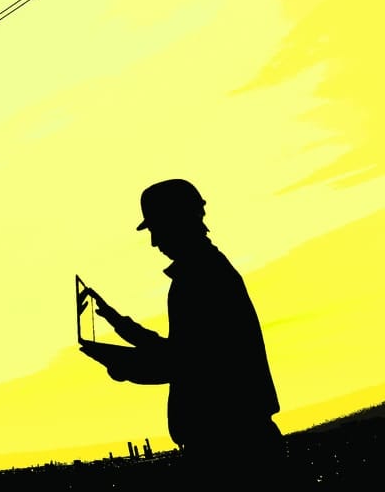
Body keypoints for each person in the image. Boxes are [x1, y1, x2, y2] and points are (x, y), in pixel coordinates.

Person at [79, 178, 286, 485]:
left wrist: (122, 365)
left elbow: (184, 364)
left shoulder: (198, 279)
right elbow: (183, 353)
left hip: (228, 447)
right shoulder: (206, 271)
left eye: (156, 229)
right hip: (236, 440)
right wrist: (118, 323)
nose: (154, 242)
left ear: (176, 222)